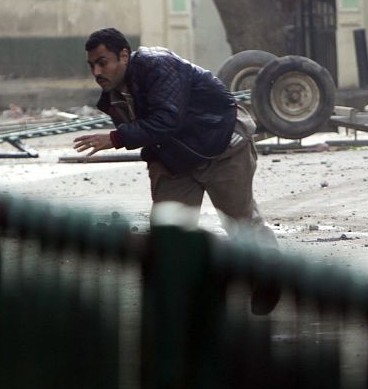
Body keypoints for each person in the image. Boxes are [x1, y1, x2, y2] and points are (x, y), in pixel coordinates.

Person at [74, 27, 279, 313]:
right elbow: (148, 133)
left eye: (102, 62)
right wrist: (154, 163)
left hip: (223, 147)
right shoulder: (114, 97)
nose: (97, 72)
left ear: (124, 56)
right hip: (177, 162)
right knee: (169, 232)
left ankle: (270, 278)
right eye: (92, 65)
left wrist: (115, 138)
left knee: (241, 222)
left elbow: (166, 119)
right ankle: (182, 304)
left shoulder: (158, 65)